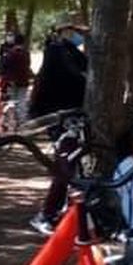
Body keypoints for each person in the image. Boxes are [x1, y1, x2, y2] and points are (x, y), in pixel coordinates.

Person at [28, 24, 91, 234]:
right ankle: (47, 213)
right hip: (63, 123)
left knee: (72, 165)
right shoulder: (62, 63)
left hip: (69, 120)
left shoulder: (63, 59)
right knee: (66, 166)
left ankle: (64, 210)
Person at [0, 32, 31, 127]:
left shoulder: (10, 53)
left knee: (11, 101)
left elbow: (4, 66)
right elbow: (28, 65)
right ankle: (22, 120)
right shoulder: (26, 53)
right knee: (22, 100)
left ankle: (12, 120)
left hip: (12, 81)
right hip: (23, 80)